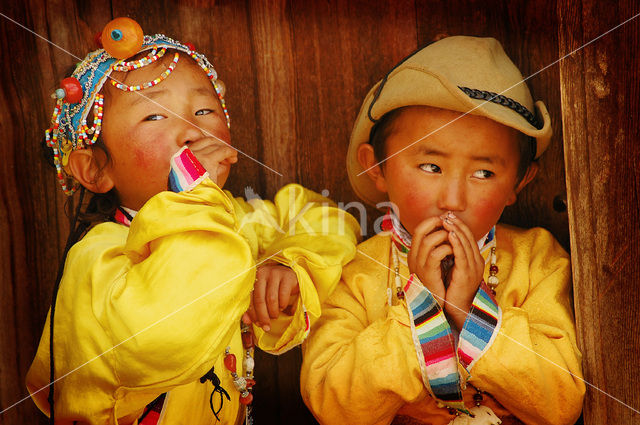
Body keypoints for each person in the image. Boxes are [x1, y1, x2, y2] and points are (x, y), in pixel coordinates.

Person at [26, 17, 359, 425]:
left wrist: (289, 262)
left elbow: (321, 217)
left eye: (203, 110)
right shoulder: (97, 258)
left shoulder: (236, 219)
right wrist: (193, 196)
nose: (191, 130)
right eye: (153, 117)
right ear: (94, 170)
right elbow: (166, 334)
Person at [300, 36, 585, 425]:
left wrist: (470, 310)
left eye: (484, 173)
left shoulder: (538, 260)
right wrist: (423, 305)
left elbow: (563, 400)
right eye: (431, 167)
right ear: (376, 167)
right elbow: (332, 403)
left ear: (519, 182)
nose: (453, 198)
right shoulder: (355, 272)